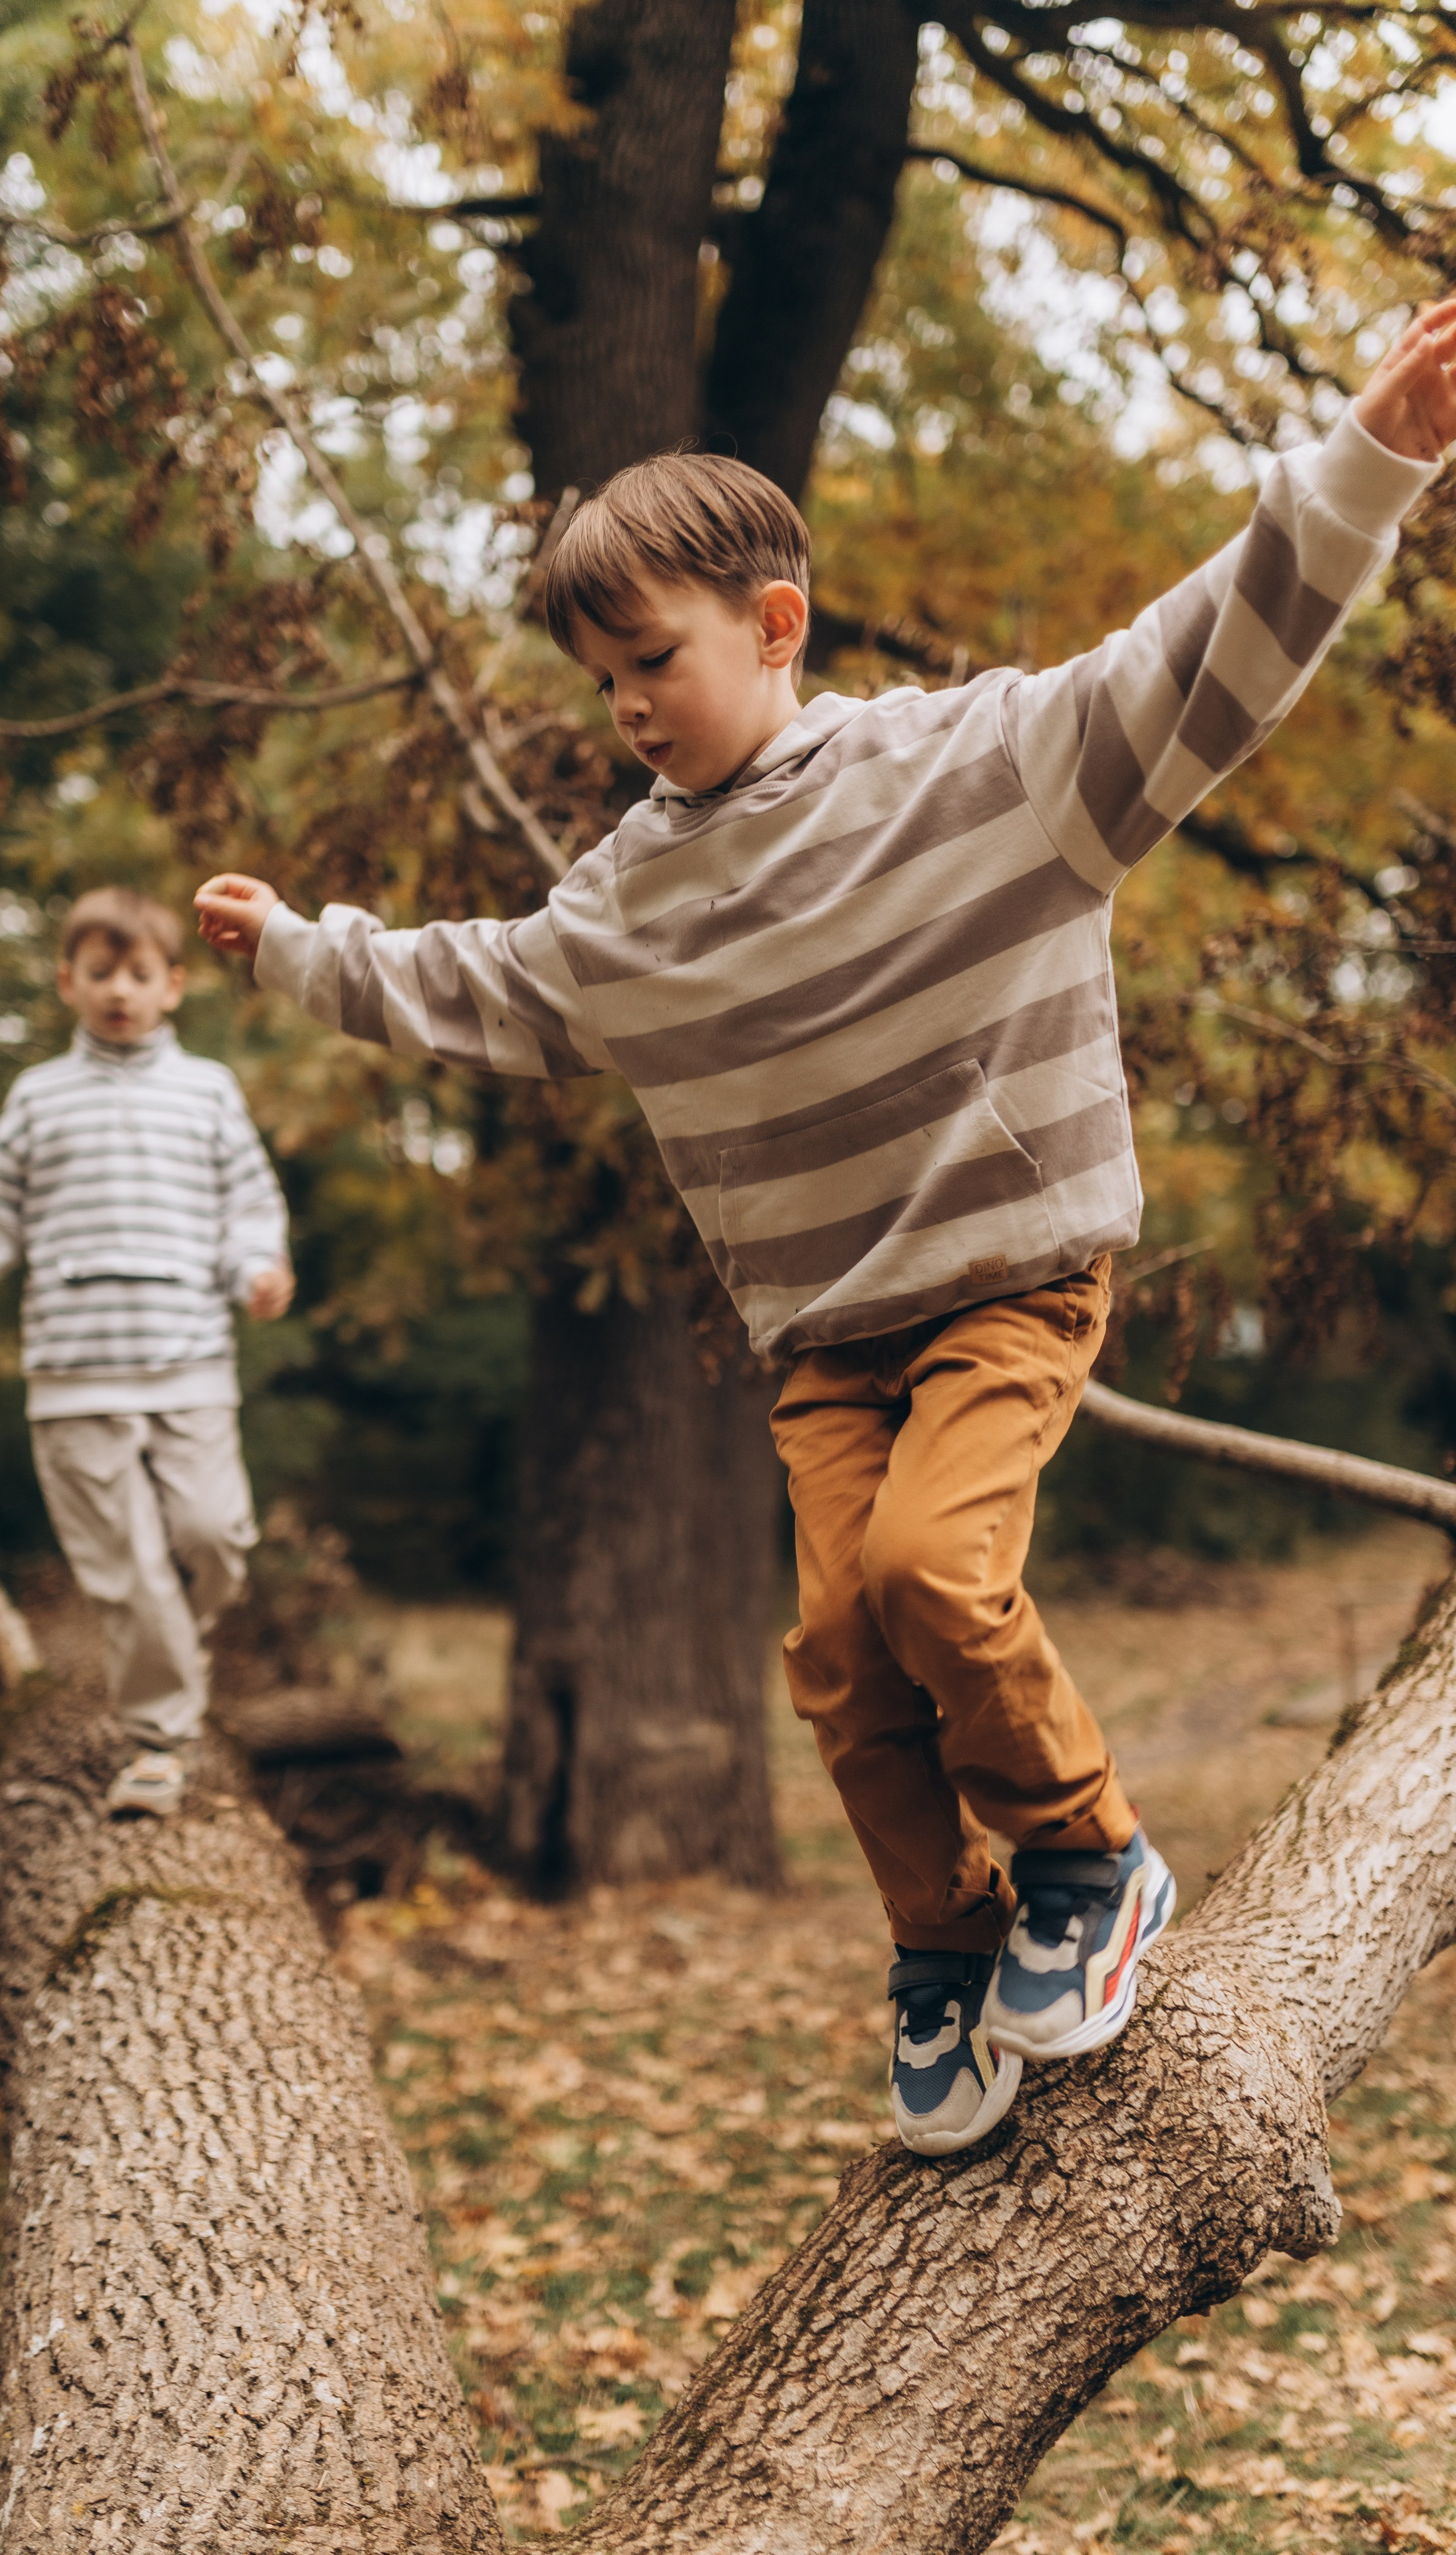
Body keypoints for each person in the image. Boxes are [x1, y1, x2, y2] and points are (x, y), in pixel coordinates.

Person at [196, 305, 1456, 2150]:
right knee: (845, 1662)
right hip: (825, 1339)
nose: (629, 709)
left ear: (774, 624)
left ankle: (1090, 1859)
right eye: (601, 682)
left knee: (932, 1574)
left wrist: (1369, 463)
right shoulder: (631, 901)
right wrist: (304, 954)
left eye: (654, 660)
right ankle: (944, 1943)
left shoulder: (988, 769)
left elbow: (1208, 655)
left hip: (1009, 1281)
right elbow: (485, 988)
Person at [0, 886, 293, 1818]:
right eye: (100, 973)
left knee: (214, 1537)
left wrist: (259, 1271)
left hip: (189, 1363)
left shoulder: (207, 1092)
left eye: (138, 974)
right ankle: (160, 1744)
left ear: (173, 985)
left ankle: (170, 1644)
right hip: (75, 1377)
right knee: (130, 1568)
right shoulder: (39, 1098)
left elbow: (249, 1210)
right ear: (69, 982)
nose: (119, 991)